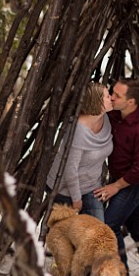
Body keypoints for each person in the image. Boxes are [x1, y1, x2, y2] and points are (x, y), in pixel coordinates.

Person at [94, 78, 139, 276]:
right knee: (137, 225)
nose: (112, 97)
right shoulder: (115, 116)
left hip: (133, 181)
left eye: (117, 95)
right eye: (111, 93)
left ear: (131, 102)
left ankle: (120, 274)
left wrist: (115, 186)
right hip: (119, 178)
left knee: (110, 224)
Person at [45, 82, 113, 221]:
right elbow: (70, 168)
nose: (111, 98)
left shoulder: (104, 120)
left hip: (91, 188)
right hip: (64, 189)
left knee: (96, 236)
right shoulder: (77, 130)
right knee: (65, 237)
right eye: (107, 96)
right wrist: (76, 199)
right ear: (97, 102)